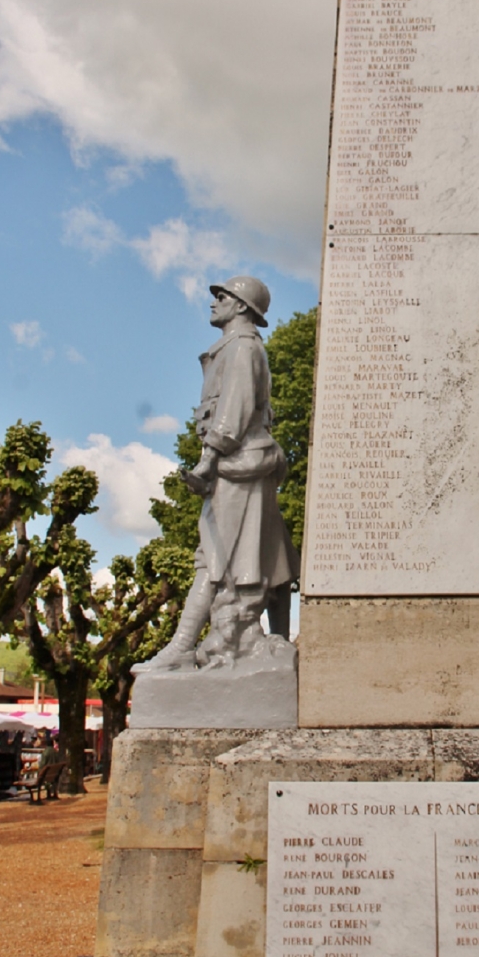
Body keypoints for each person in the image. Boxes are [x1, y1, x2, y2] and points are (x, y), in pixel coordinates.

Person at [142, 276, 300, 671]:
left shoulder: (243, 349)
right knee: (251, 557)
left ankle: (181, 647)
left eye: (223, 295)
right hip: (241, 463)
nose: (215, 301)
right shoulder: (236, 348)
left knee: (213, 558)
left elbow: (235, 409)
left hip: (238, 463)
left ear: (243, 306)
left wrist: (209, 459)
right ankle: (257, 637)